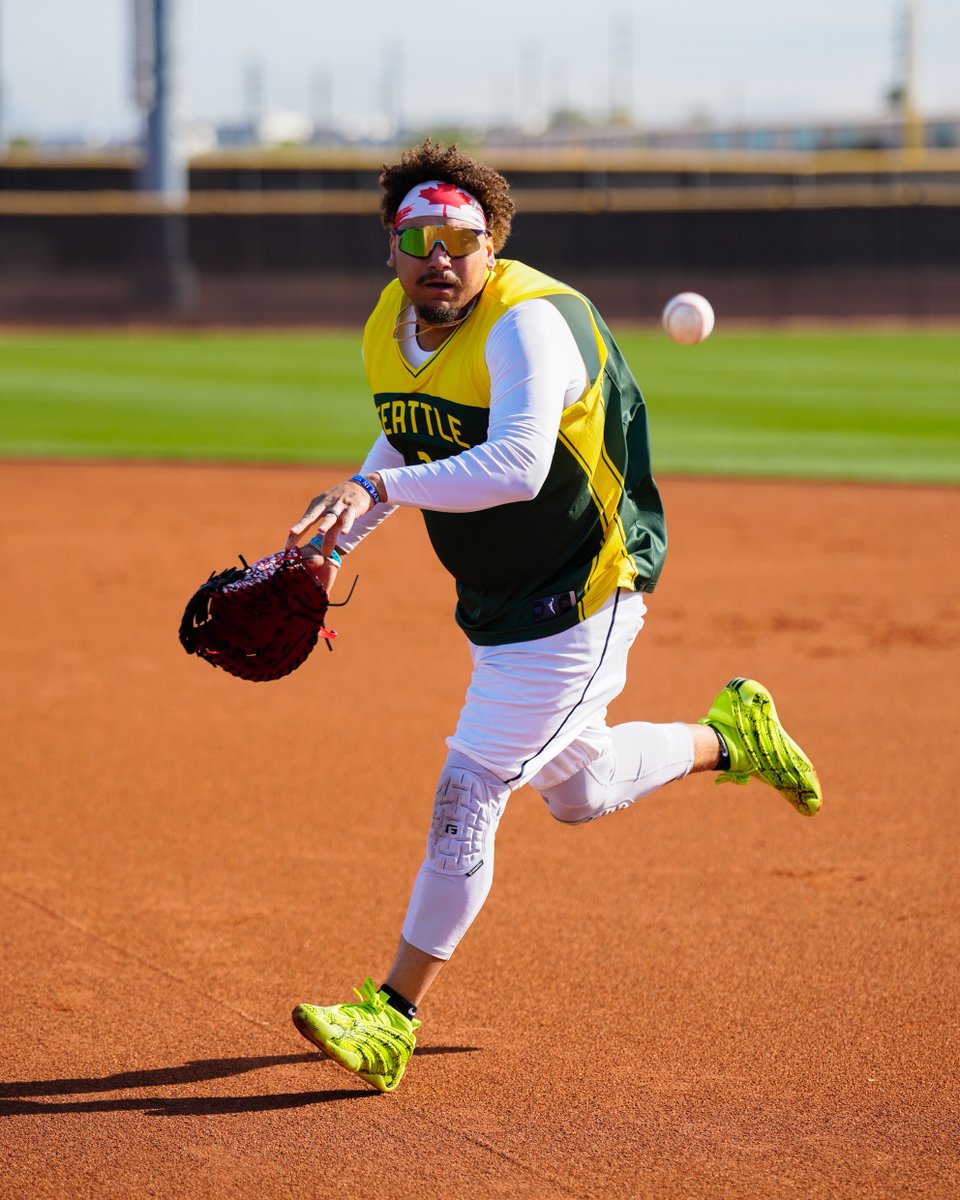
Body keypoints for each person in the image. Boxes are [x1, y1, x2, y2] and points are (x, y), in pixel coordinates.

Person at [284, 140, 822, 1093]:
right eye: (419, 236)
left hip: (584, 584)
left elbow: (518, 465)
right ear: (390, 246)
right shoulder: (389, 326)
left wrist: (373, 488)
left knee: (472, 786)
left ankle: (392, 1015)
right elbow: (404, 435)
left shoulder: (528, 324)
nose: (439, 255)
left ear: (491, 245)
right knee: (580, 790)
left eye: (461, 238)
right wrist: (335, 542)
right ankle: (730, 737)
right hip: (500, 595)